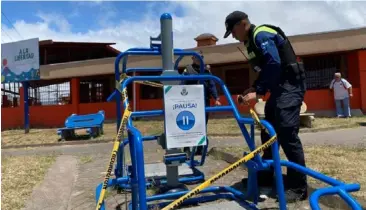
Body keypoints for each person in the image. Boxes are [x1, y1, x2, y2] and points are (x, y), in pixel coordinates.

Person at [223, 11, 308, 202]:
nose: (233, 36)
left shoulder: (260, 35)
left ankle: (298, 188)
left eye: (233, 31)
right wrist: (253, 88)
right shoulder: (251, 42)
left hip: (291, 87)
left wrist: (259, 90)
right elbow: (265, 69)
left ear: (242, 24)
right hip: (280, 89)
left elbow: (274, 63)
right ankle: (266, 178)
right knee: (268, 132)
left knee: (286, 133)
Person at [181, 51, 221, 156]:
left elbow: (212, 85)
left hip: (204, 102)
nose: (199, 59)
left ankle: (200, 149)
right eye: (197, 57)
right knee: (189, 125)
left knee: (202, 125)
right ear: (193, 58)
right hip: (190, 102)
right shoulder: (188, 69)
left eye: (201, 57)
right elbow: (182, 84)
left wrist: (216, 98)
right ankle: (187, 149)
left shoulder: (206, 71)